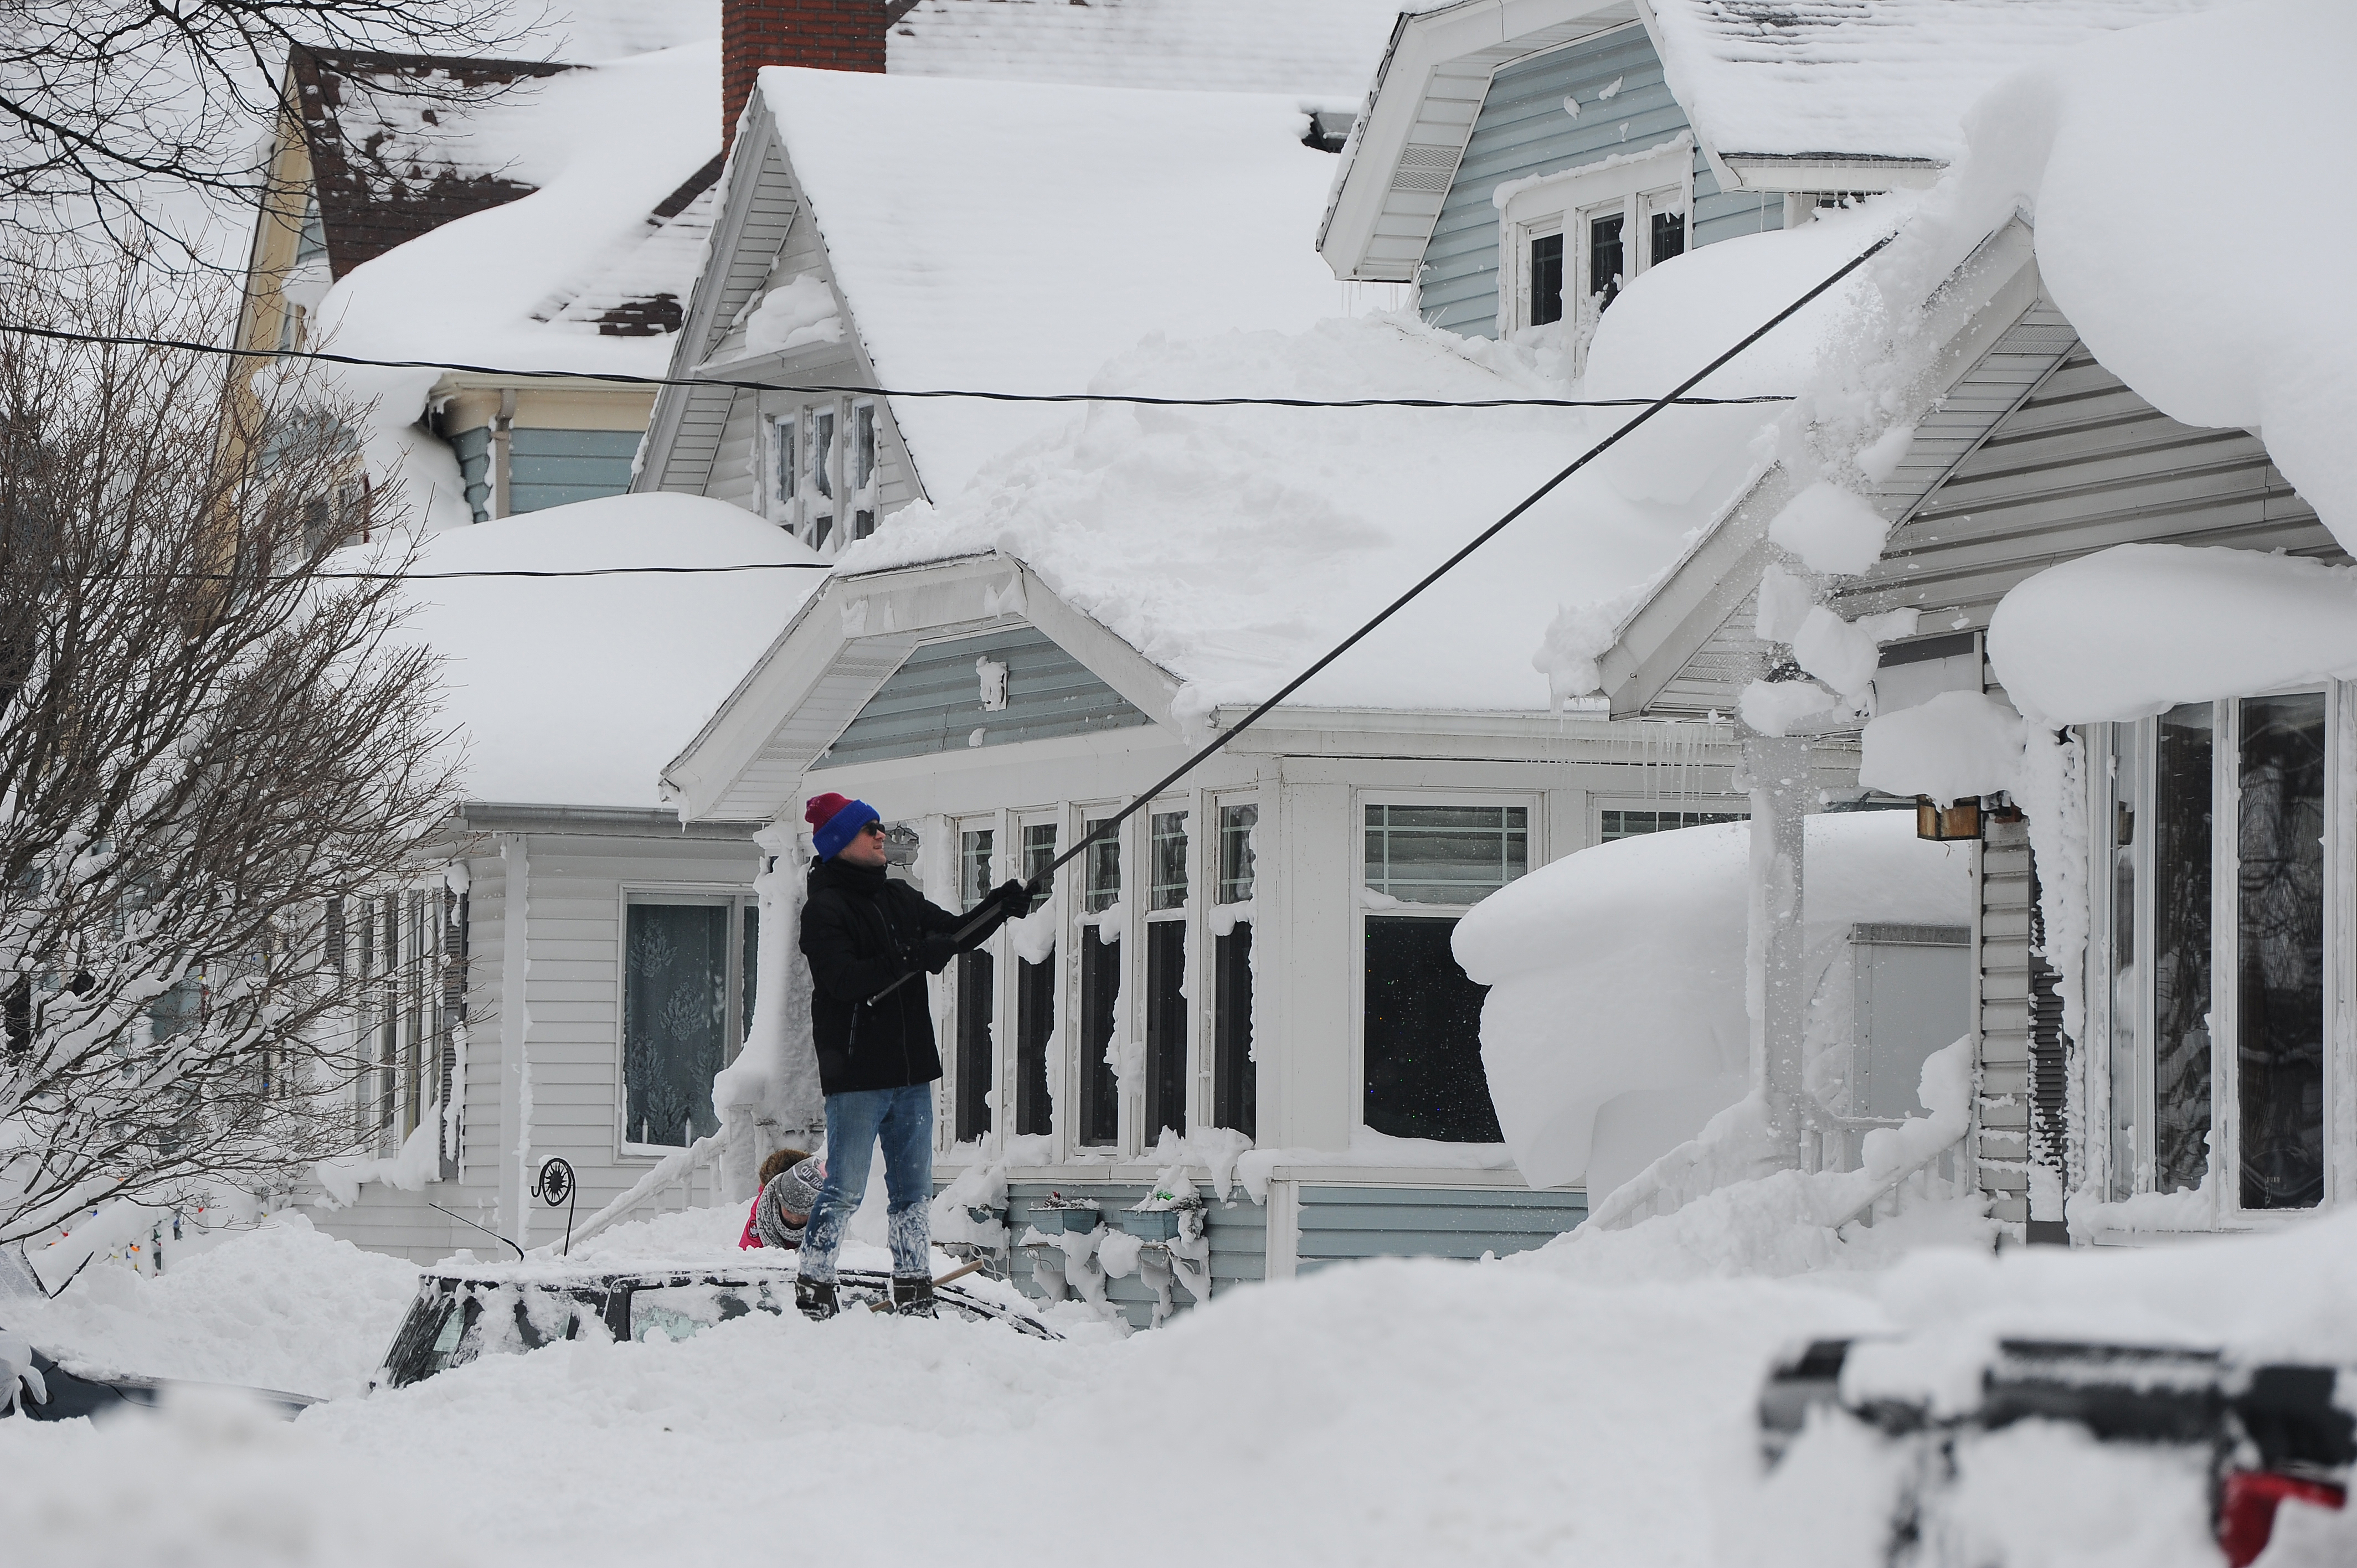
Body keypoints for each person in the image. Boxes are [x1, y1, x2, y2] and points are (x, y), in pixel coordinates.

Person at [795, 793, 1026, 1318]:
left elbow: (954, 934)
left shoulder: (899, 898)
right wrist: (911, 956)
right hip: (856, 1076)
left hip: (911, 1072)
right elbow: (845, 980)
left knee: (914, 1193)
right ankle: (814, 1293)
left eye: (881, 826)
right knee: (845, 1189)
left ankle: (915, 1294)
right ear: (838, 843)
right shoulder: (824, 911)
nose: (881, 835)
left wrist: (998, 907)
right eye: (869, 828)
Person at [738, 1146, 824, 1251]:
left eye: (803, 1213)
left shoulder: (824, 1209)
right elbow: (750, 1253)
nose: (795, 1218)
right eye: (789, 1209)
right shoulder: (764, 1211)